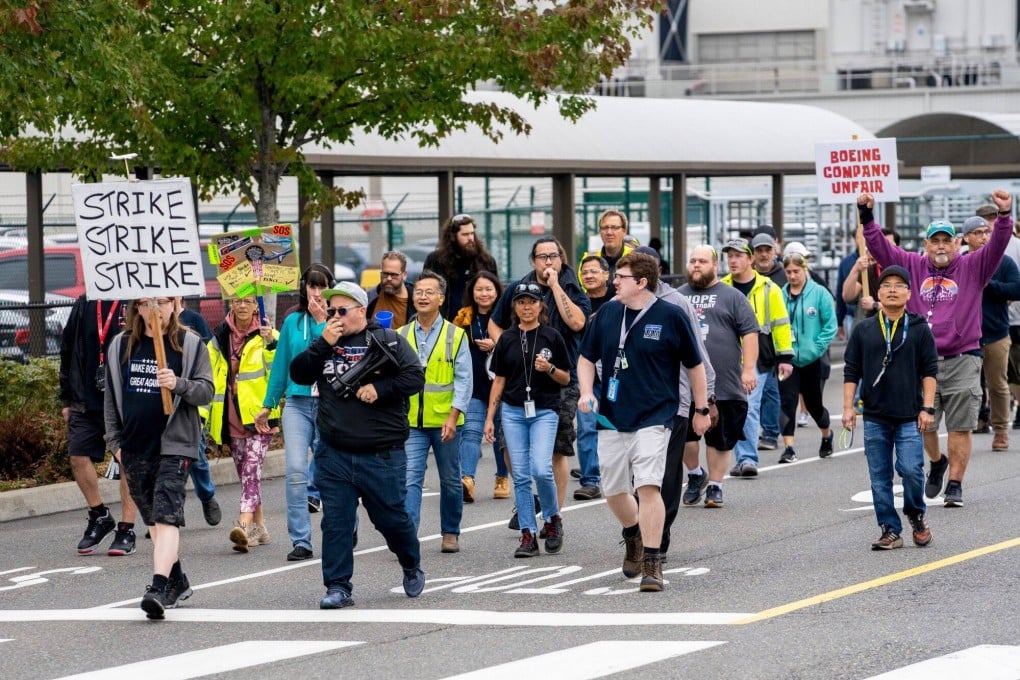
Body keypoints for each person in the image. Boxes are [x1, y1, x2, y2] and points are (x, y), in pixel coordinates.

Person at [859, 189, 1014, 507]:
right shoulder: (913, 265)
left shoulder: (973, 267)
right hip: (921, 361)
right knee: (922, 422)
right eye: (935, 241)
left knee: (959, 426)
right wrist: (866, 216)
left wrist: (1003, 216)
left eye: (947, 240)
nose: (941, 246)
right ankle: (937, 462)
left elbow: (997, 245)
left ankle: (955, 483)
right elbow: (880, 248)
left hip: (963, 358)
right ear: (926, 244)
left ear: (958, 244)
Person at [578, 253, 711, 591]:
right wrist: (585, 392)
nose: (613, 282)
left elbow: (694, 366)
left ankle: (652, 561)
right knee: (614, 490)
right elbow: (585, 358)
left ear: (640, 282)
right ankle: (632, 533)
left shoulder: (671, 315)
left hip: (656, 415)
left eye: (620, 277)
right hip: (612, 415)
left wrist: (701, 408)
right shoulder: (607, 313)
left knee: (648, 485)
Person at [289, 282, 426, 609]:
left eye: (342, 311)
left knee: (391, 520)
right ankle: (338, 587)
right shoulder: (324, 344)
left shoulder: (388, 340)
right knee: (335, 522)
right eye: (331, 311)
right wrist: (323, 343)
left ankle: (410, 562)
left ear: (361, 310)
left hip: (382, 453)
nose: (335, 317)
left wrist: (380, 388)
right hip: (334, 453)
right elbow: (300, 373)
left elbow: (414, 378)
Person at [104, 296, 214, 619]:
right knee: (153, 519)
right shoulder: (121, 346)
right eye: (146, 303)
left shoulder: (189, 343)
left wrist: (178, 384)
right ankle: (176, 580)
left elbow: (206, 390)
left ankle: (157, 586)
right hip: (135, 446)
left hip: (175, 444)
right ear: (137, 308)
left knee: (167, 514)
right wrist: (115, 443)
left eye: (163, 302)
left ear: (173, 305)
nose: (156, 309)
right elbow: (112, 395)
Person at [490, 237, 590, 514]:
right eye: (542, 256)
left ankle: (553, 514)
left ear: (561, 259)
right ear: (533, 260)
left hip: (561, 378)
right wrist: (508, 349)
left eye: (553, 256)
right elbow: (494, 323)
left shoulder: (571, 286)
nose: (548, 261)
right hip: (519, 381)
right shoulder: (517, 288)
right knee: (506, 444)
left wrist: (555, 284)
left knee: (557, 448)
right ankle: (531, 496)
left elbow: (577, 322)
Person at [842, 266, 938, 551]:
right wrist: (848, 408)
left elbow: (930, 370)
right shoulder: (864, 329)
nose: (892, 289)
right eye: (886, 285)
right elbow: (851, 371)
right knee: (879, 477)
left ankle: (916, 514)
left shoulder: (919, 328)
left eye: (899, 285)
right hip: (874, 416)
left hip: (909, 415)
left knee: (911, 470)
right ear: (878, 293)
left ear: (909, 293)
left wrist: (928, 408)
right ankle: (889, 529)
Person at [630, 245, 716, 558]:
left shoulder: (676, 304)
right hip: (631, 406)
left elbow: (698, 357)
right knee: (636, 475)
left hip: (673, 404)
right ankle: (639, 531)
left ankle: (658, 536)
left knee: (665, 476)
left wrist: (706, 401)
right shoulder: (622, 304)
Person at [485, 281, 571, 558]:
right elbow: (498, 381)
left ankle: (552, 519)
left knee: (541, 469)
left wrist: (550, 368)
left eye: (531, 302)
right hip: (512, 411)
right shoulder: (507, 338)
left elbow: (566, 378)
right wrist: (489, 419)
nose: (526, 307)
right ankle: (527, 534)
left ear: (540, 306)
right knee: (520, 475)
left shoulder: (552, 336)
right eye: (521, 302)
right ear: (515, 306)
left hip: (544, 410)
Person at [256, 263, 335, 561]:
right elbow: (282, 365)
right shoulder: (291, 322)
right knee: (296, 472)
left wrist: (320, 320)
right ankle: (301, 539)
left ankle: (343, 526)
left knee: (333, 471)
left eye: (322, 286)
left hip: (330, 405)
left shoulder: (336, 321)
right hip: (298, 404)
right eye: (312, 286)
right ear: (303, 288)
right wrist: (268, 404)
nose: (316, 292)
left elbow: (325, 349)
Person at [678, 246, 759, 511]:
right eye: (692, 261)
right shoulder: (678, 297)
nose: (696, 265)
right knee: (685, 437)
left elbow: (749, 333)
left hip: (724, 382)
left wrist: (748, 369)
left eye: (702, 261)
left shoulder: (732, 296)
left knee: (719, 437)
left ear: (714, 265)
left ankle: (715, 485)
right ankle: (694, 475)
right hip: (684, 384)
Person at [59, 295, 140, 556]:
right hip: (85, 397)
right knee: (77, 456)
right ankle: (99, 514)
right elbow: (68, 346)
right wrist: (66, 397)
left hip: (124, 399)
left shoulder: (135, 299)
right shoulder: (84, 303)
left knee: (128, 459)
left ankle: (126, 529)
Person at [398, 271, 472, 554]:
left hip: (446, 422)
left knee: (451, 480)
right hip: (412, 422)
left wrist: (453, 416)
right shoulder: (401, 334)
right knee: (409, 479)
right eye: (418, 291)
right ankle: (407, 537)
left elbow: (464, 380)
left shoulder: (456, 335)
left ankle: (450, 531)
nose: (423, 296)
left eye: (429, 292)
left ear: (441, 298)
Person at [205, 294, 279, 553]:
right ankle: (260, 529)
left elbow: (278, 372)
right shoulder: (220, 335)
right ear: (230, 304)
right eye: (237, 301)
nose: (242, 306)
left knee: (251, 470)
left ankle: (244, 525)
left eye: (248, 301)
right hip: (231, 416)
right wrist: (204, 415)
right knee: (248, 474)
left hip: (260, 415)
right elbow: (208, 372)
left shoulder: (268, 333)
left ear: (256, 305)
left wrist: (270, 344)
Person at [720, 238, 793, 478]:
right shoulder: (722, 287)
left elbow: (781, 324)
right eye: (730, 255)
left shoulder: (769, 288)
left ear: (750, 259)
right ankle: (740, 457)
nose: (733, 260)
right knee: (733, 410)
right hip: (729, 359)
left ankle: (747, 459)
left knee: (749, 408)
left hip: (759, 359)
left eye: (739, 255)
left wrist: (785, 357)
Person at [960, 216, 1020, 451]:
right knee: (968, 387)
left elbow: (1017, 289)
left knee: (997, 385)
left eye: (986, 232)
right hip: (966, 336)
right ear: (966, 238)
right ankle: (970, 426)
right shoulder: (961, 262)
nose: (983, 237)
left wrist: (991, 285)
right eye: (977, 232)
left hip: (996, 333)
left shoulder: (1003, 262)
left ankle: (1001, 431)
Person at [452, 271, 510, 501]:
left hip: (503, 384)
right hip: (474, 384)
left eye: (488, 289)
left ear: (497, 291)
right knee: (471, 431)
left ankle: (502, 478)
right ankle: (468, 479)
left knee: (499, 433)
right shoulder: (464, 317)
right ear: (472, 293)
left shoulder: (507, 317)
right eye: (479, 289)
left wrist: (497, 343)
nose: (484, 294)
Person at [777, 252, 836, 463]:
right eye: (788, 272)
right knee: (787, 402)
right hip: (787, 359)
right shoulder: (780, 295)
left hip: (812, 359)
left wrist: (816, 348)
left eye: (796, 271)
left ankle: (827, 434)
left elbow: (830, 326)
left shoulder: (819, 293)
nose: (792, 276)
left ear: (805, 269)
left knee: (814, 405)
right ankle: (789, 448)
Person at [175, 297, 221, 527]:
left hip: (191, 403)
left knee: (197, 458)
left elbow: (209, 361)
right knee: (168, 463)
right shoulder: (150, 326)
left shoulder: (194, 320)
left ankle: (207, 496)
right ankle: (170, 509)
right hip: (163, 405)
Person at [572, 254, 614, 500]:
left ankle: (623, 475)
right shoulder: (578, 302)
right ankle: (590, 480)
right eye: (584, 272)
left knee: (618, 429)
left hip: (616, 376)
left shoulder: (618, 300)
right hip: (587, 377)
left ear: (606, 275)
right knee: (587, 427)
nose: (588, 276)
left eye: (593, 271)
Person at [423, 214, 498, 319]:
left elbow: (496, 294)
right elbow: (425, 291)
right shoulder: (436, 260)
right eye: (465, 234)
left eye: (472, 233)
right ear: (453, 237)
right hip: (445, 321)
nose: (470, 238)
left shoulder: (486, 261)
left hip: (477, 322)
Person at [750, 231, 784, 452]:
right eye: (759, 250)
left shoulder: (783, 276)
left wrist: (785, 351)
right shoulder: (742, 278)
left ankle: (771, 432)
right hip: (746, 347)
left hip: (771, 347)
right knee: (751, 398)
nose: (763, 255)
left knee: (770, 393)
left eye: (767, 250)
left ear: (775, 251)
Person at [578, 209, 634, 295]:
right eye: (605, 228)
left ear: (624, 231)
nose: (609, 232)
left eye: (614, 228)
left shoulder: (635, 258)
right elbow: (585, 294)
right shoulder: (587, 260)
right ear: (600, 232)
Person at [366, 250, 415, 329]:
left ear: (404, 275)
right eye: (385, 274)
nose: (389, 278)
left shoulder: (416, 301)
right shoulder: (369, 297)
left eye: (394, 275)